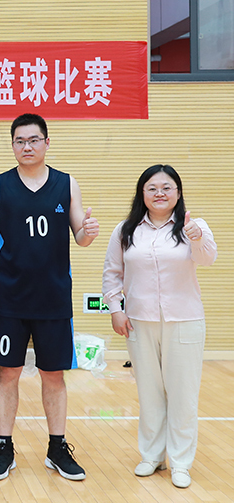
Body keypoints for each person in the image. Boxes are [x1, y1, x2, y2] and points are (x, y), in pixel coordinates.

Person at [0, 113, 99, 481]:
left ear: (47, 142)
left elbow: (80, 235)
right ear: (13, 145)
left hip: (53, 299)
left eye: (33, 140)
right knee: (7, 374)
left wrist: (88, 232)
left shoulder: (66, 183)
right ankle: (4, 447)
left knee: (54, 375)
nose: (26, 146)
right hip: (9, 299)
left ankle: (57, 447)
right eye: (19, 141)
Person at [102, 165, 216, 489]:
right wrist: (116, 309)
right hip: (139, 321)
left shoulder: (193, 226)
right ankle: (152, 456)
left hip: (185, 321)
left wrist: (197, 237)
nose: (160, 193)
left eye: (167, 187)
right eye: (152, 188)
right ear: (143, 194)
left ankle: (180, 462)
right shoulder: (126, 230)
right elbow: (112, 273)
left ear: (178, 193)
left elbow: (207, 259)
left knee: (183, 394)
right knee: (149, 392)